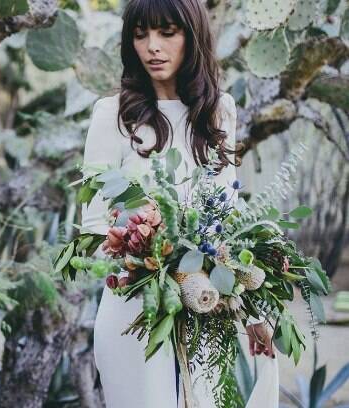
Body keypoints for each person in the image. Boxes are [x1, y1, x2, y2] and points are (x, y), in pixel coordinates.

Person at [80, 0, 279, 406]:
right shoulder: (111, 115)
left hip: (206, 304)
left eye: (167, 32)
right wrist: (151, 250)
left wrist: (255, 313)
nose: (152, 46)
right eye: (141, 35)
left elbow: (225, 221)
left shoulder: (219, 111)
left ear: (192, 36)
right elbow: (94, 224)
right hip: (133, 311)